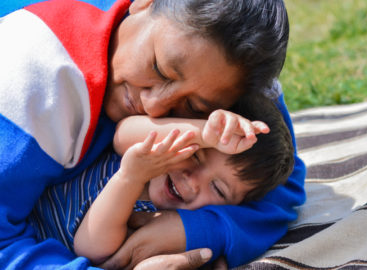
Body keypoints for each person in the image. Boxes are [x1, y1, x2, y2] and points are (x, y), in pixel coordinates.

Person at [0, 0, 306, 269]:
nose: (153, 105)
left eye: (195, 106)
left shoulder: (232, 65)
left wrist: (198, 229)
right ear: (143, 3)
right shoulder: (31, 82)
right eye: (158, 68)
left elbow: (282, 177)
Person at [29, 94, 295, 266]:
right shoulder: (150, 153)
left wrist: (131, 177)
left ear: (231, 208)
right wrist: (203, 133)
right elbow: (122, 135)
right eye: (197, 154)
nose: (192, 180)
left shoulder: (152, 219)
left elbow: (91, 247)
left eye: (217, 187)